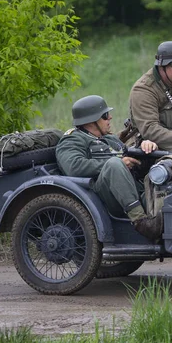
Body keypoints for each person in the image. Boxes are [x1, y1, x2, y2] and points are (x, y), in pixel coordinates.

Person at [56, 95, 162, 240]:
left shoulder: (110, 139)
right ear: (91, 121)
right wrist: (117, 162)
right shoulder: (73, 139)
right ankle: (140, 221)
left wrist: (146, 148)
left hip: (129, 191)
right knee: (114, 164)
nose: (110, 117)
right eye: (105, 115)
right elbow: (74, 167)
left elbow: (130, 158)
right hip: (101, 195)